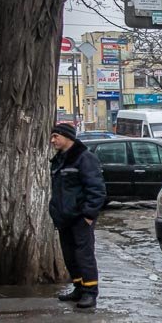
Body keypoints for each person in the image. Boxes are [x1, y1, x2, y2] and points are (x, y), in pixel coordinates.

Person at [49, 123, 107, 309]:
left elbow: (97, 190)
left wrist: (88, 215)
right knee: (70, 256)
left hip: (80, 218)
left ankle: (90, 292)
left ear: (67, 137)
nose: (52, 140)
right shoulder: (60, 159)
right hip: (64, 217)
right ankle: (79, 287)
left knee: (84, 256)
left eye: (56, 136)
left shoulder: (84, 158)